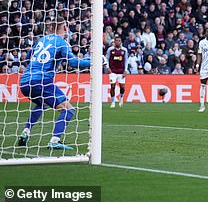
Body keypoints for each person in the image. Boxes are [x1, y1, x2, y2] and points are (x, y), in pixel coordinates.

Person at [18, 17, 93, 150]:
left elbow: (29, 57)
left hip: (24, 81)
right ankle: (54, 140)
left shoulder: (40, 40)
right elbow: (74, 63)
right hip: (42, 81)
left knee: (43, 103)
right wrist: (93, 62)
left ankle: (26, 132)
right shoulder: (61, 43)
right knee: (69, 110)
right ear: (64, 28)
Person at [107, 35, 129, 108]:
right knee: (112, 86)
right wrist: (107, 67)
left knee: (122, 87)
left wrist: (125, 70)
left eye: (119, 41)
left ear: (121, 41)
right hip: (112, 71)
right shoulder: (110, 50)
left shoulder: (124, 50)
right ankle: (113, 102)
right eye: (116, 41)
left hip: (121, 71)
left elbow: (126, 60)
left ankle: (121, 97)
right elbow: (107, 59)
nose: (118, 42)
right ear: (114, 41)